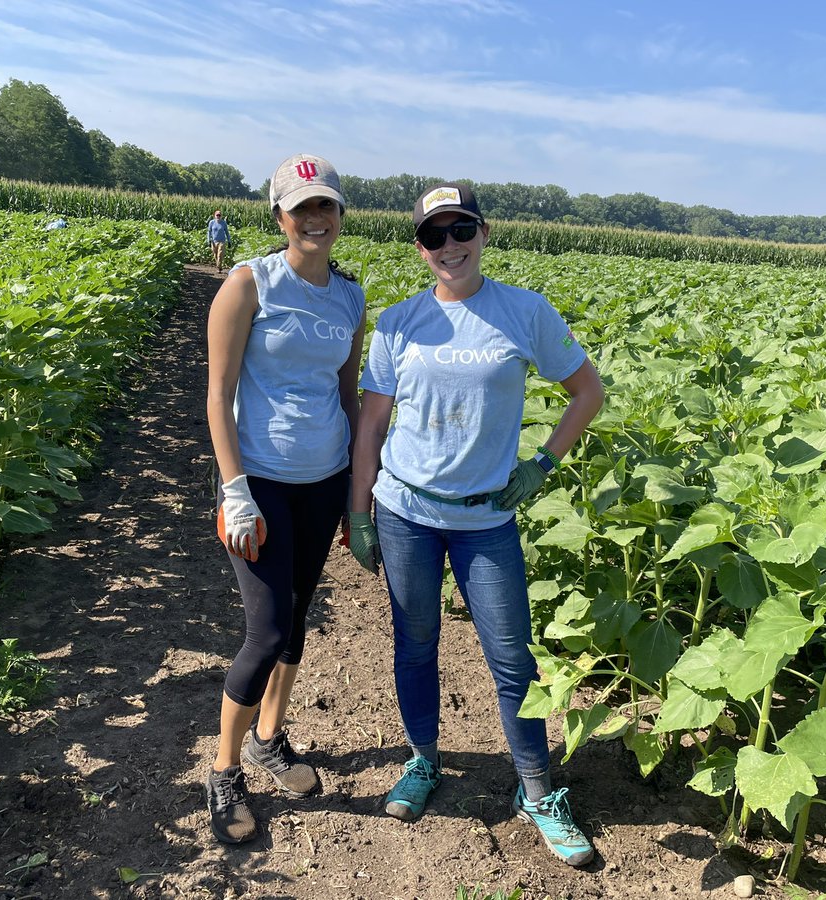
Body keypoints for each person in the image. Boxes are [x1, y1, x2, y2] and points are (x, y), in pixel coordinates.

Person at [347, 183, 605, 867]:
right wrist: (358, 507)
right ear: (420, 247)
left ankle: (537, 788)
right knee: (415, 640)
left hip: (487, 518)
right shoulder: (399, 322)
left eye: (461, 230)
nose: (450, 246)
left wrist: (544, 464)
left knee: (511, 655)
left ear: (484, 234)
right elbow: (373, 422)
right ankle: (424, 762)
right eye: (434, 236)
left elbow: (589, 391)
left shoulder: (524, 312)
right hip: (406, 512)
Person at [203, 154, 366, 845]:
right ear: (279, 217)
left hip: (324, 478)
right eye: (301, 208)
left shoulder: (351, 296)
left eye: (325, 206)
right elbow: (216, 394)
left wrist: (361, 490)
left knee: (297, 619)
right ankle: (224, 769)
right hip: (260, 481)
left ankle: (271, 738)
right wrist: (235, 491)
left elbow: (348, 394)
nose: (314, 219)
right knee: (265, 630)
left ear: (338, 216)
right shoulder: (248, 285)